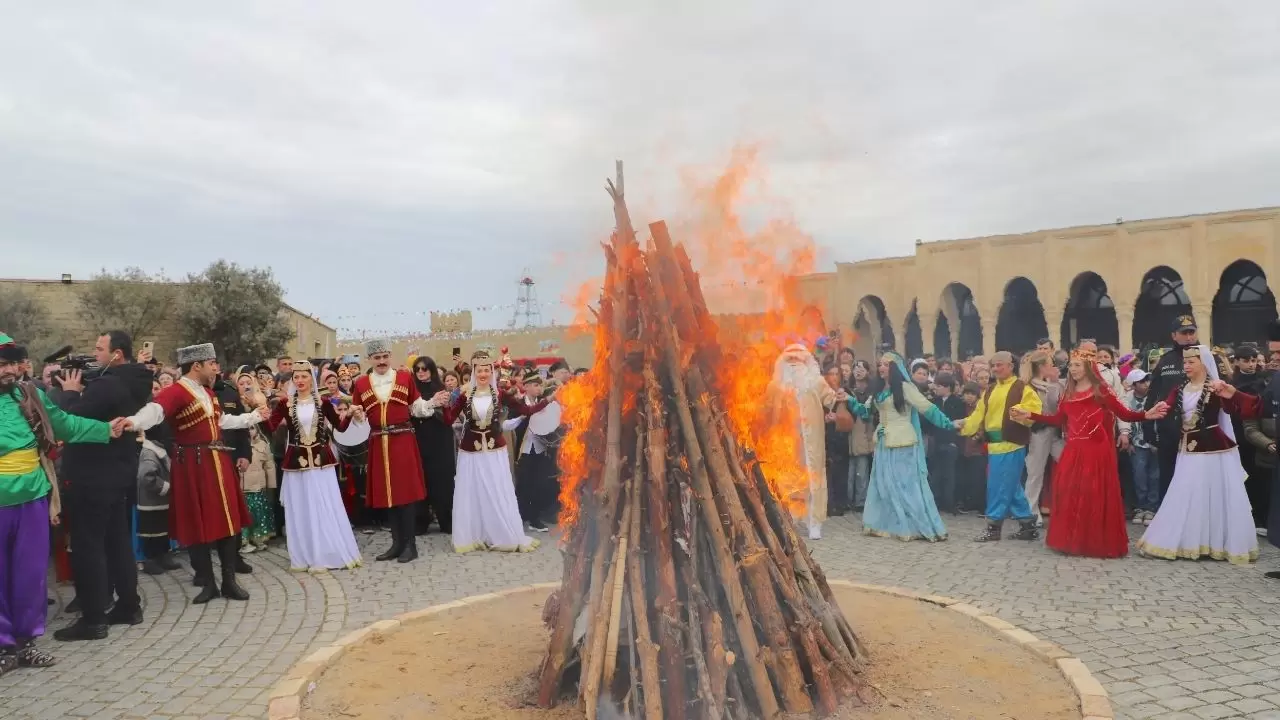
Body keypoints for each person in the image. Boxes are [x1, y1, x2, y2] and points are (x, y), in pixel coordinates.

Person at [0, 333, 117, 674]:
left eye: (12, 363)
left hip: (33, 497)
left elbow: (65, 423)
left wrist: (104, 430)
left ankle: (26, 642)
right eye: (2, 364)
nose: (9, 371)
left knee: (31, 574)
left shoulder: (29, 395)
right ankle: (3, 646)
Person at [119, 343, 270, 603]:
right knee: (197, 523)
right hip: (193, 463)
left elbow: (221, 421)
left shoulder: (208, 393)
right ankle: (208, 583)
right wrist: (134, 422)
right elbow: (156, 410)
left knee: (226, 521)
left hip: (216, 460)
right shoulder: (177, 391)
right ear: (196, 365)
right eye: (211, 363)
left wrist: (253, 417)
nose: (215, 367)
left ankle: (229, 581)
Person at [1013, 347, 1166, 558]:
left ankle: (1094, 542)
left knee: (1092, 493)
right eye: (1071, 365)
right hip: (1074, 449)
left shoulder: (1100, 390)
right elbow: (1058, 420)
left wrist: (1146, 415)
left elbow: (1125, 413)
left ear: (1087, 367)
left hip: (1096, 450)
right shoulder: (1067, 392)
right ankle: (1072, 540)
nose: (1072, 369)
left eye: (1077, 365)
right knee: (1069, 492)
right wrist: (1029, 414)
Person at [52, 330, 154, 642]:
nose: (94, 354)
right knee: (116, 542)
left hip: (91, 476)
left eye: (99, 349)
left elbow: (71, 419)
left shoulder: (109, 384)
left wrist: (69, 392)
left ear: (117, 354)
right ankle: (128, 606)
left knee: (87, 546)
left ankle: (94, 619)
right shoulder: (136, 380)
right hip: (118, 473)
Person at [1136, 345, 1261, 564]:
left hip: (1214, 449)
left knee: (1213, 494)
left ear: (1203, 363)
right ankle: (1187, 540)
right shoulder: (1181, 388)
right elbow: (1167, 405)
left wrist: (1232, 393)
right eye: (1185, 362)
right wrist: (1152, 412)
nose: (1186, 366)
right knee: (1187, 491)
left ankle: (1215, 543)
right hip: (1189, 449)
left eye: (1190, 362)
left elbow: (1246, 408)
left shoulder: (1215, 387)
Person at [435, 350, 550, 553]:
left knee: (497, 489)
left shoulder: (500, 393)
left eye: (487, 370)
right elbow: (448, 419)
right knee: (474, 491)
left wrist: (550, 400)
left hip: (495, 451)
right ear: (474, 372)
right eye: (479, 370)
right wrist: (444, 405)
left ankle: (501, 532)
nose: (483, 374)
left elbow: (527, 411)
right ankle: (475, 534)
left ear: (492, 371)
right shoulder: (465, 395)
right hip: (470, 452)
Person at [841, 351, 952, 542]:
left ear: (894, 368)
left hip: (903, 442)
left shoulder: (905, 388)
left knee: (906, 484)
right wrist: (849, 399)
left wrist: (949, 424)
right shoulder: (877, 389)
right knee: (884, 484)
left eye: (886, 364)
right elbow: (865, 412)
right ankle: (889, 523)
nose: (881, 367)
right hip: (884, 443)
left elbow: (927, 408)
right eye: (880, 364)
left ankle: (914, 524)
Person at [263, 365, 363, 571]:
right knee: (301, 508)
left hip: (321, 464)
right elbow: (270, 429)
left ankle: (326, 552)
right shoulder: (285, 403)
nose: (299, 380)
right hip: (296, 465)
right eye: (296, 377)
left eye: (304, 376)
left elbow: (340, 426)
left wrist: (351, 413)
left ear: (312, 379)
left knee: (323, 505)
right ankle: (305, 554)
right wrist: (262, 414)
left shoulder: (323, 402)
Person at [349, 339, 435, 562]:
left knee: (405, 493)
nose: (381, 361)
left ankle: (411, 545)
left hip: (402, 439)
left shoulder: (405, 378)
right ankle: (396, 544)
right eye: (377, 358)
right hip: (378, 441)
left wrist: (432, 402)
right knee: (388, 494)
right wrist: (358, 417)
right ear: (370, 359)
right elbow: (359, 417)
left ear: (390, 357)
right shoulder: (361, 384)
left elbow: (417, 407)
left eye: (385, 356)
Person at [957, 351, 1042, 542]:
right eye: (993, 365)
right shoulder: (990, 390)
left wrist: (1022, 413)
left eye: (999, 365)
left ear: (1011, 366)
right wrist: (963, 426)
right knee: (1010, 486)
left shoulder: (1023, 388)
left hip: (1011, 444)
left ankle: (993, 527)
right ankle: (1027, 524)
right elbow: (978, 415)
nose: (995, 369)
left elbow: (1034, 410)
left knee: (999, 487)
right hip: (994, 445)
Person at [767, 344, 836, 540]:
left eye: (799, 360)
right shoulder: (775, 385)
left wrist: (837, 404)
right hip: (786, 443)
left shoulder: (816, 381)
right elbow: (765, 410)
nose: (794, 364)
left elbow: (831, 400)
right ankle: (791, 519)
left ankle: (815, 522)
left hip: (811, 441)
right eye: (790, 360)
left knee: (813, 479)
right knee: (789, 479)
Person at [1145, 314, 1199, 499]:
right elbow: (1153, 394)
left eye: (1192, 332)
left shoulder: (1207, 358)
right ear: (1174, 335)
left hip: (1197, 430)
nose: (1189, 336)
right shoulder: (1165, 360)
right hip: (1168, 430)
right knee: (1168, 477)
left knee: (1194, 479)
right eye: (1184, 333)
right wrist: (1147, 428)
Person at [511, 372, 563, 531]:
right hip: (524, 449)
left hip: (539, 449)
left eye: (540, 385)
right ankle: (519, 517)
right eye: (535, 385)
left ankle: (534, 519)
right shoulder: (519, 404)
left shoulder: (543, 405)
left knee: (537, 484)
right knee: (523, 485)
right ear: (525, 387)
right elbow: (513, 426)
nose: (538, 388)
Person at [411, 356, 456, 534]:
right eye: (417, 369)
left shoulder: (441, 388)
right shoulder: (412, 390)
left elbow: (446, 415)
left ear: (431, 370)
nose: (421, 372)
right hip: (419, 440)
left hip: (439, 440)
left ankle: (446, 521)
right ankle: (421, 521)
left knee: (442, 481)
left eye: (425, 369)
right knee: (421, 480)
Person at [235, 368, 277, 552]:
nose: (245, 386)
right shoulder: (233, 404)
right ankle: (244, 539)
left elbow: (270, 427)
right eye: (241, 383)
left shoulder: (260, 402)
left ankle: (261, 535)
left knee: (261, 505)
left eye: (248, 383)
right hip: (241, 452)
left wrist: (257, 407)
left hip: (261, 449)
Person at [1022, 350, 1063, 525]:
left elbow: (1059, 406)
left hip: (1056, 431)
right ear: (1041, 366)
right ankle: (1030, 511)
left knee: (1067, 460)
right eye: (1049, 364)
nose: (1052, 367)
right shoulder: (1029, 386)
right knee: (1035, 472)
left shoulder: (1053, 383)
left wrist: (1055, 382)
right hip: (1038, 432)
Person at [136, 423, 176, 576]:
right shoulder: (149, 453)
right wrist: (166, 487)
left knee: (163, 530)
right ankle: (150, 560)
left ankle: (163, 556)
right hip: (151, 502)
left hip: (161, 501)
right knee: (151, 533)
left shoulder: (160, 450)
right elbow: (146, 477)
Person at [1124, 370, 1162, 523]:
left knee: (1155, 475)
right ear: (1134, 385)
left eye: (1147, 380)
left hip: (1154, 444)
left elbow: (1159, 419)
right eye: (1142, 381)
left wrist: (1157, 440)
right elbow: (1125, 420)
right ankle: (1141, 506)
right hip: (1137, 444)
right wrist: (1130, 440)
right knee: (1139, 475)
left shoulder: (1155, 397)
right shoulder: (1127, 399)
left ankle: (1152, 508)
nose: (1146, 384)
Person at [928, 372, 966, 515]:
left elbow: (960, 423)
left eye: (938, 386)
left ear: (946, 387)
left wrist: (954, 441)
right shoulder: (934, 402)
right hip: (936, 441)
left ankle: (949, 503)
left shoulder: (957, 402)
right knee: (936, 473)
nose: (935, 388)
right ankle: (936, 502)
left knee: (949, 474)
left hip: (951, 443)